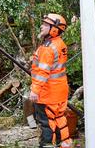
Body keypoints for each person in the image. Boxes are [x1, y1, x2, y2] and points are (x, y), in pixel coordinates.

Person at [29, 14, 72, 148]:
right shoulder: (60, 44)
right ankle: (63, 144)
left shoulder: (48, 48)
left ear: (54, 29)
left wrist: (34, 91)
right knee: (59, 119)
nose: (42, 26)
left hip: (48, 93)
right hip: (60, 91)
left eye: (46, 25)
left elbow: (43, 72)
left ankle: (47, 145)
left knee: (47, 123)